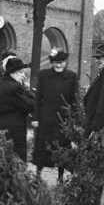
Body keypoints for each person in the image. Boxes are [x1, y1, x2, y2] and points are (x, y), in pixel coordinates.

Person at [31, 48, 79, 182]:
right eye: (56, 62)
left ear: (65, 62)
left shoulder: (72, 77)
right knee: (42, 148)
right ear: (52, 62)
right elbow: (38, 98)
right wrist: (35, 118)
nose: (59, 65)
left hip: (63, 120)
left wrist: (73, 120)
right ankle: (37, 175)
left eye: (61, 62)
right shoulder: (44, 75)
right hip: (46, 119)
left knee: (62, 148)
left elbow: (75, 100)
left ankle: (60, 177)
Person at [0, 57, 36, 162]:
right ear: (13, 73)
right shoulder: (15, 87)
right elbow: (30, 106)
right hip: (13, 134)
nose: (23, 75)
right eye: (21, 72)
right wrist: (28, 91)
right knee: (15, 167)